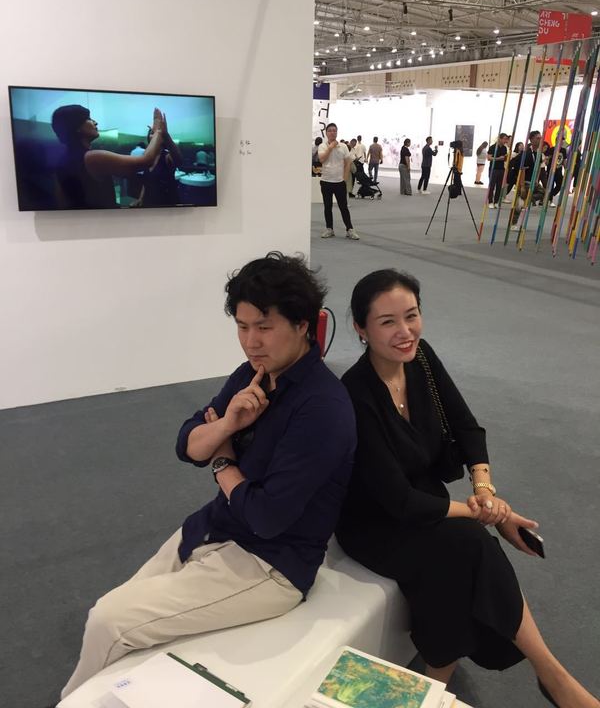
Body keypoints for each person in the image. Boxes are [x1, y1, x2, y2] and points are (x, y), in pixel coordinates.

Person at [60, 252, 357, 698]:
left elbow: (266, 517)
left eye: (264, 326)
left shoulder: (323, 408)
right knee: (117, 614)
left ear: (302, 325)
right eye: (242, 326)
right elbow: (188, 444)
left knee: (110, 620)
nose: (251, 341)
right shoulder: (253, 375)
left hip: (270, 564)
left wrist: (223, 462)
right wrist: (226, 427)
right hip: (215, 527)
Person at [336, 269, 599, 708]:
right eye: (387, 322)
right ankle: (553, 677)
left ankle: (441, 679)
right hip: (375, 520)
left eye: (412, 315)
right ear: (361, 329)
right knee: (470, 543)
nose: (405, 332)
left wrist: (485, 490)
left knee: (461, 552)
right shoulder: (355, 394)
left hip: (425, 499)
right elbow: (399, 501)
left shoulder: (421, 359)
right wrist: (488, 514)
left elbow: (466, 427)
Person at [51, 105, 166, 209]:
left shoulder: (62, 161)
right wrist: (158, 131)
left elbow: (62, 202)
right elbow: (146, 161)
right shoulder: (92, 157)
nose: (95, 122)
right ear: (77, 127)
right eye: (89, 119)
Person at [318, 122, 360, 240]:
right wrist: (330, 147)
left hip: (339, 182)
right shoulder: (322, 146)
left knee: (343, 207)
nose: (332, 132)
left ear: (337, 132)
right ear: (326, 133)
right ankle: (329, 229)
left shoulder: (343, 146)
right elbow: (322, 159)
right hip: (326, 181)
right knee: (327, 206)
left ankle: (349, 229)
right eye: (330, 130)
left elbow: (348, 163)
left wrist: (344, 179)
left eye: (334, 130)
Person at [140, 116, 184, 207]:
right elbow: (146, 182)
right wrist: (140, 199)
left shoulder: (167, 156)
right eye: (152, 133)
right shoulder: (146, 158)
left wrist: (165, 134)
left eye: (158, 133)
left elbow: (179, 161)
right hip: (149, 204)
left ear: (163, 138)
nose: (155, 135)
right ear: (148, 137)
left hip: (168, 205)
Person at [487, 133, 509, 208]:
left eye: (506, 139)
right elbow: (489, 158)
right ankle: (490, 202)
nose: (506, 141)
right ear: (500, 138)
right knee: (492, 186)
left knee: (499, 186)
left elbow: (504, 158)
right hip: (493, 169)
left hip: (501, 169)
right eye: (504, 139)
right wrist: (498, 158)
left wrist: (506, 158)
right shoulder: (493, 147)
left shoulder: (504, 148)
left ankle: (496, 201)